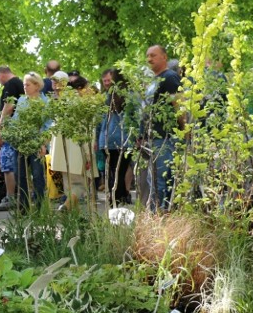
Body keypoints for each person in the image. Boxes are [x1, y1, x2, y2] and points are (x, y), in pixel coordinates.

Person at [140, 44, 182, 211]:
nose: (149, 59)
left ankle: (159, 215)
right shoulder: (153, 81)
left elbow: (178, 104)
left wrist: (184, 130)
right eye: (148, 55)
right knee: (154, 179)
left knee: (160, 179)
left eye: (153, 55)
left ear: (164, 57)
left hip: (165, 137)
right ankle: (157, 214)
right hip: (153, 138)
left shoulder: (170, 77)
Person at [50, 71, 99, 207]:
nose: (90, 90)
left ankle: (71, 214)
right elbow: (87, 132)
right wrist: (88, 155)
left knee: (70, 185)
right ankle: (66, 208)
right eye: (87, 87)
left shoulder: (63, 103)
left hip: (63, 153)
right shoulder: (84, 107)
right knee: (79, 185)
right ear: (79, 89)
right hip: (77, 152)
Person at [13, 72, 50, 207]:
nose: (24, 87)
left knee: (38, 176)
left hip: (37, 144)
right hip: (20, 144)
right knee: (19, 175)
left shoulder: (45, 102)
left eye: (27, 85)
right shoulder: (22, 100)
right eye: (24, 84)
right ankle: (23, 207)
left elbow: (48, 125)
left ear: (36, 85)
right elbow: (15, 121)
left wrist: (43, 143)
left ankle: (40, 207)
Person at [98, 68, 134, 206]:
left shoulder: (107, 96)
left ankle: (114, 200)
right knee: (120, 171)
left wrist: (98, 139)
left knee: (112, 171)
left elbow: (100, 120)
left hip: (107, 139)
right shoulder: (128, 95)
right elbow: (133, 117)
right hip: (123, 138)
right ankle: (118, 200)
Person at [0, 66, 24, 210]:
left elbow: (8, 106)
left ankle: (10, 198)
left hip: (11, 130)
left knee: (7, 164)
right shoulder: (19, 83)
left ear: (1, 75)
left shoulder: (10, 84)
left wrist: (0, 129)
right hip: (17, 129)